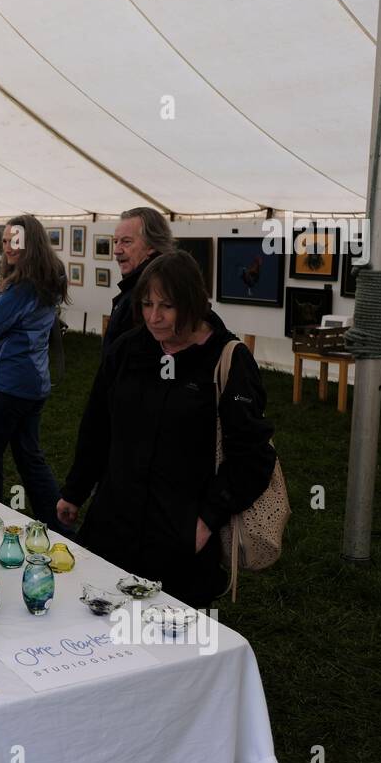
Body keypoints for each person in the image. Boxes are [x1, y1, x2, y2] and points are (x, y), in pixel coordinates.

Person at [56, 252, 276, 607]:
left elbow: (253, 456)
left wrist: (206, 520)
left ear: (192, 305)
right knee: (99, 627)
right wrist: (76, 490)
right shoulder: (129, 349)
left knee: (169, 639)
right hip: (114, 524)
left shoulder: (226, 360)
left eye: (167, 307)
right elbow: (98, 424)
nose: (154, 317)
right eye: (146, 304)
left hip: (178, 538)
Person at [0, 215, 69, 532]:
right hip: (33, 383)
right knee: (30, 457)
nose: (8, 247)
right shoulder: (47, 277)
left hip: (10, 385)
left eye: (14, 240)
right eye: (4, 241)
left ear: (31, 243)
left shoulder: (24, 288)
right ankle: (60, 526)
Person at [102, 206, 175, 352]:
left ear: (152, 245)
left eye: (126, 242)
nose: (117, 250)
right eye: (116, 242)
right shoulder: (137, 286)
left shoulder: (150, 292)